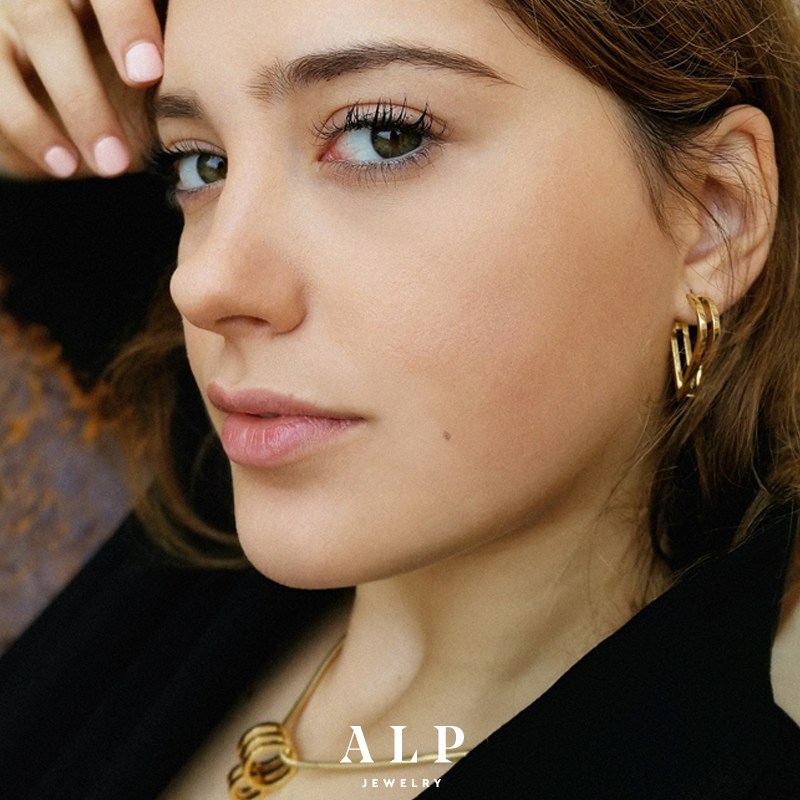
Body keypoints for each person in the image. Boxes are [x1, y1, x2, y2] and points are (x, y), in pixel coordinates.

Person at [0, 0, 799, 798]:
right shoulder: (213, 500)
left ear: (714, 215)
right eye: (199, 165)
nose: (203, 286)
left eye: (384, 136)